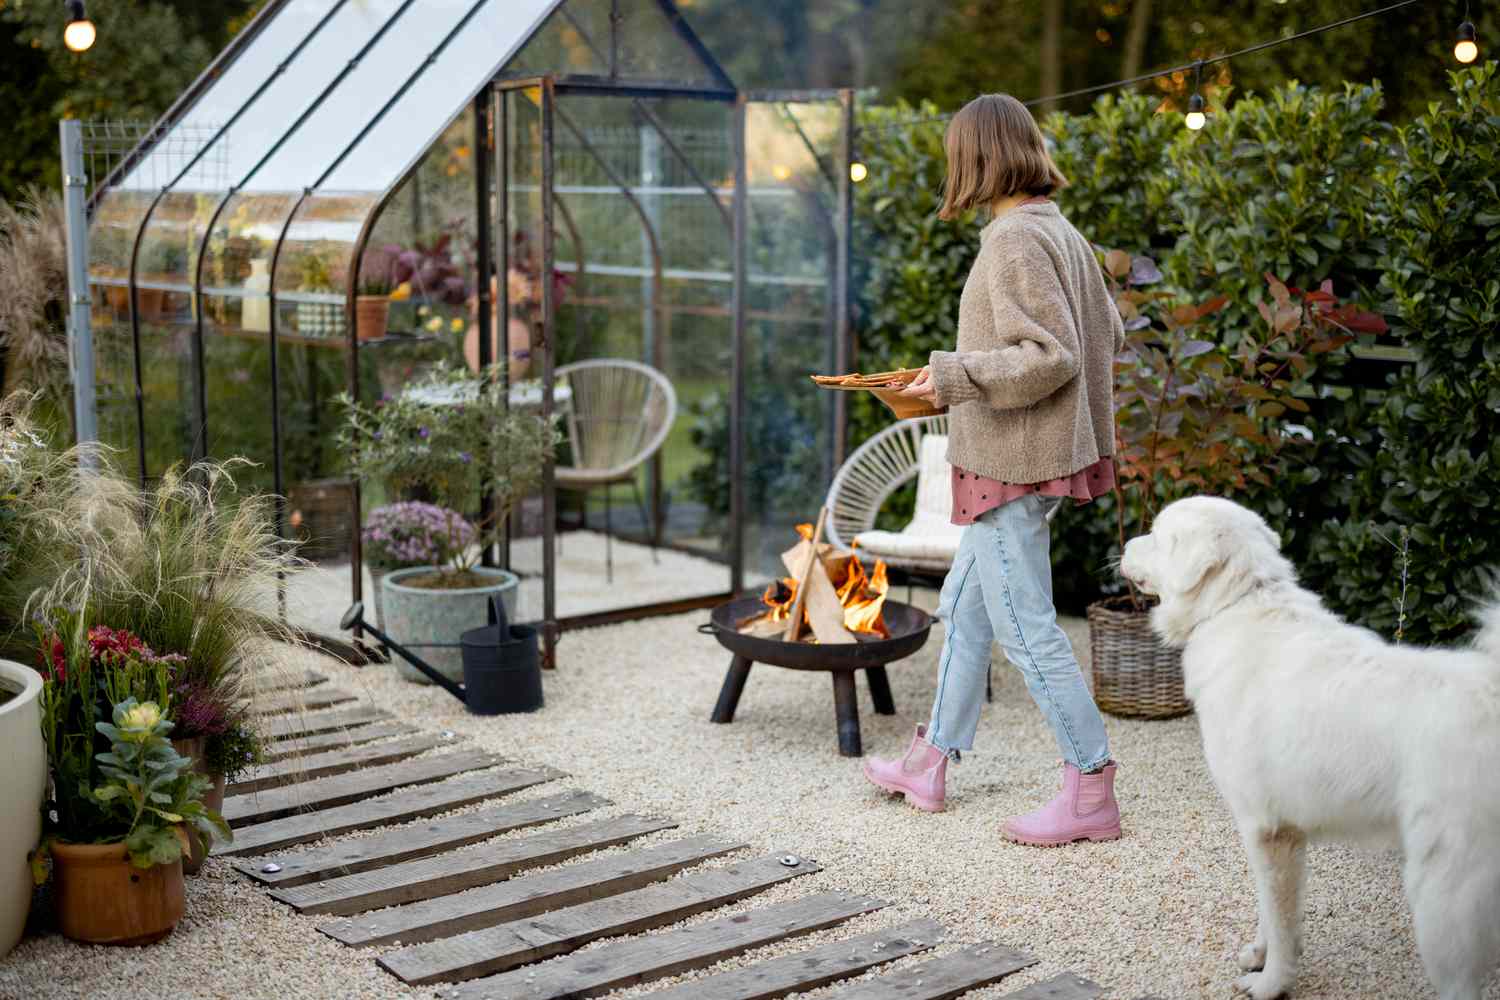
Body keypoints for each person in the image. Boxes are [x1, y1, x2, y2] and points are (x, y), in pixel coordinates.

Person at [862, 93, 1125, 847]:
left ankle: (1090, 784)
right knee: (967, 607)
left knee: (1026, 625)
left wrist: (951, 377)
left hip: (1013, 464)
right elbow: (1103, 334)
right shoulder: (1059, 232)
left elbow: (1054, 356)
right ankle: (930, 760)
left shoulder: (1012, 240)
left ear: (976, 158)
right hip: (1031, 459)